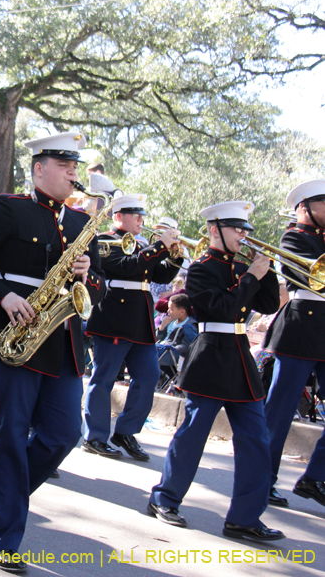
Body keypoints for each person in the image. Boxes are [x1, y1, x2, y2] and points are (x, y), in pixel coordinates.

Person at [0, 132, 106, 573]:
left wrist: (87, 274)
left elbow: (97, 290)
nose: (73, 173)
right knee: (11, 435)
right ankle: (3, 539)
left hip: (61, 342)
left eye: (75, 166)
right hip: (12, 336)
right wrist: (2, 297)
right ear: (39, 168)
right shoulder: (8, 208)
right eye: (64, 165)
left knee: (62, 434)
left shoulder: (80, 224)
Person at [148, 200, 285, 542]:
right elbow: (223, 309)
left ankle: (244, 517)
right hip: (211, 355)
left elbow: (268, 304)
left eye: (244, 230)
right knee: (192, 434)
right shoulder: (200, 269)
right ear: (214, 230)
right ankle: (164, 499)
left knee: (256, 439)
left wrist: (265, 273)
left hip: (240, 357)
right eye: (236, 229)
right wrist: (251, 277)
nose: (242, 235)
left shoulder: (243, 268)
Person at [83, 193, 181, 461]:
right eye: (135, 215)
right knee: (104, 379)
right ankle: (94, 436)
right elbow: (126, 267)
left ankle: (126, 431)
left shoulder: (138, 244)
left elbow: (159, 274)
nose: (141, 220)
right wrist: (160, 246)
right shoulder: (104, 241)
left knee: (149, 375)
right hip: (114, 315)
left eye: (142, 216)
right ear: (118, 216)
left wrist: (175, 256)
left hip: (140, 318)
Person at [263, 180, 325, 509]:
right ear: (304, 208)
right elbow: (308, 275)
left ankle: (315, 477)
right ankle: (263, 479)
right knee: (280, 411)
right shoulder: (293, 237)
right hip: (300, 328)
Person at [155, 293, 198, 381]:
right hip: (161, 350)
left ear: (182, 312)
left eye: (171, 309)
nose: (168, 311)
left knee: (148, 353)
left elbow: (187, 345)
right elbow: (157, 339)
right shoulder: (170, 322)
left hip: (172, 354)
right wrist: (161, 328)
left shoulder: (189, 325)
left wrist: (172, 349)